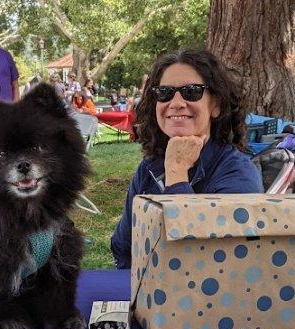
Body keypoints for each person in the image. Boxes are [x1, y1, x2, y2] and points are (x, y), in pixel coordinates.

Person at [110, 49, 263, 269]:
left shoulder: (238, 174)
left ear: (216, 105)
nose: (176, 103)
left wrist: (177, 172)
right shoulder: (150, 168)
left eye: (192, 92)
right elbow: (123, 247)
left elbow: (200, 264)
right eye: (165, 92)